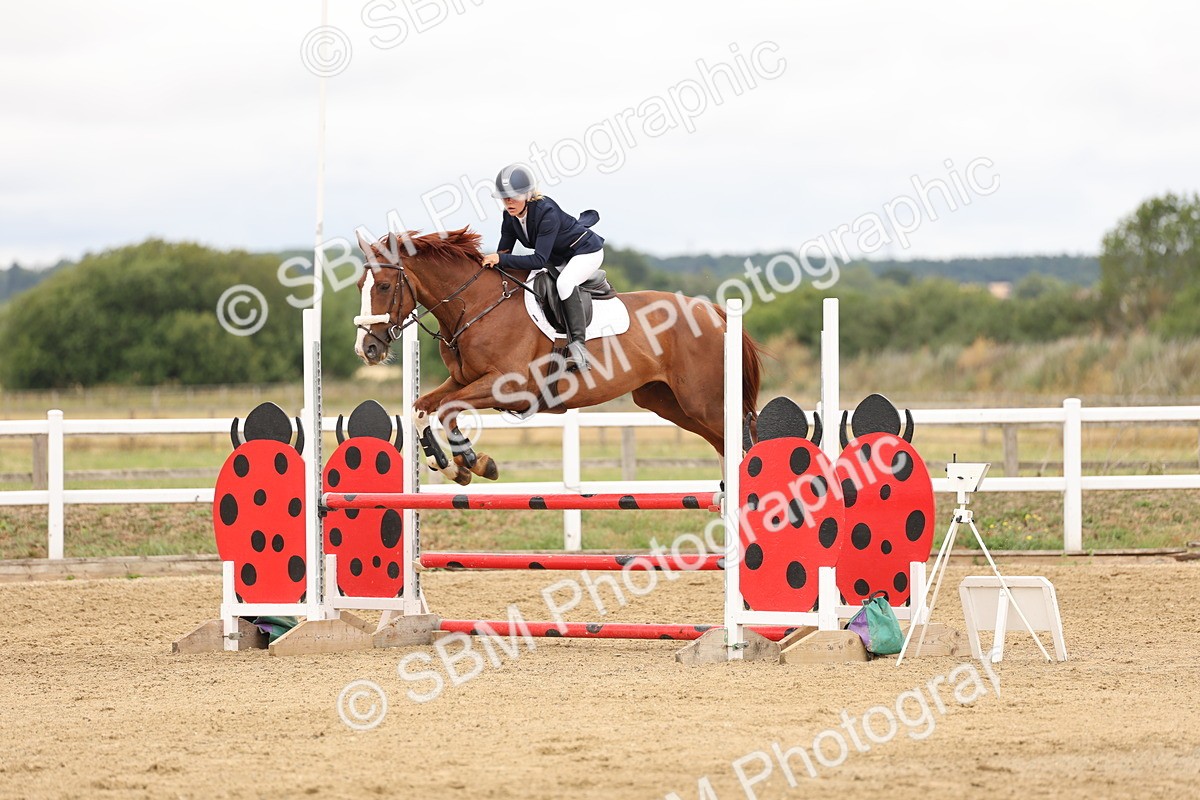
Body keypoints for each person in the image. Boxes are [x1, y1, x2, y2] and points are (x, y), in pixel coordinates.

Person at [481, 163, 604, 371]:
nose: (508, 201)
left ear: (528, 194)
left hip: (585, 252)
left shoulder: (547, 211)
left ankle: (579, 349)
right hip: (557, 257)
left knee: (565, 283)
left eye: (514, 196)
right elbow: (504, 253)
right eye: (504, 197)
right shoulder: (509, 216)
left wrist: (500, 259)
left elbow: (538, 260)